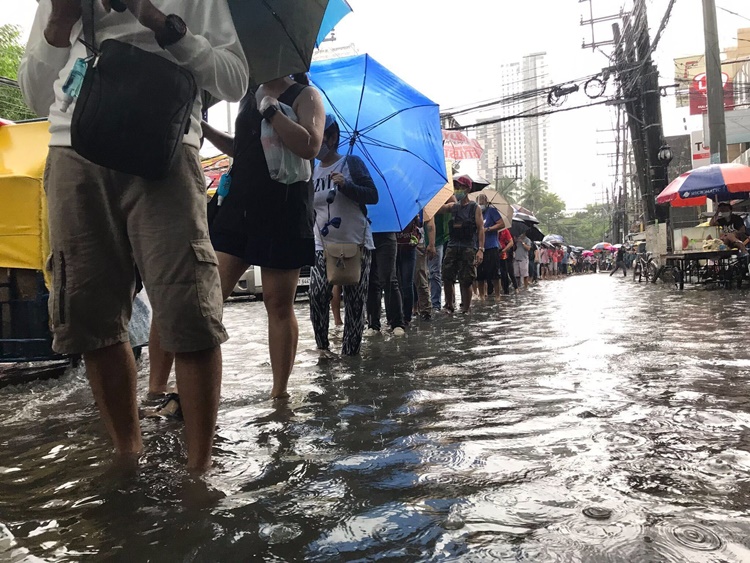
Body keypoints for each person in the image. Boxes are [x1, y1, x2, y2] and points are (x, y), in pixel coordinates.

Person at [20, 0, 248, 471]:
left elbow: (233, 79)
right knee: (89, 314)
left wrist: (158, 21)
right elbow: (33, 94)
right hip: (73, 148)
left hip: (166, 148)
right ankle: (128, 458)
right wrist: (60, 20)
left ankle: (199, 475)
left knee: (190, 311)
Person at [310, 114, 378, 356]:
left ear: (333, 137)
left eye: (320, 137)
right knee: (317, 293)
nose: (316, 143)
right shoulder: (312, 169)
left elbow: (373, 195)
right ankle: (323, 349)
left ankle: (351, 356)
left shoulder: (352, 163)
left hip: (356, 242)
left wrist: (346, 185)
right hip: (322, 244)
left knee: (355, 302)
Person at [437, 176, 485, 313]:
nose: (458, 190)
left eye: (460, 187)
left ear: (468, 189)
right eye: (456, 187)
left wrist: (481, 249)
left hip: (468, 247)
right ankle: (449, 305)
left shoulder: (475, 208)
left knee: (466, 280)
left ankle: (466, 308)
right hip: (452, 246)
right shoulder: (453, 207)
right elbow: (438, 209)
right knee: (447, 277)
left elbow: (481, 228)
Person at [475, 194, 503, 299]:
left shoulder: (492, 211)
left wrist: (488, 229)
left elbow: (501, 224)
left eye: (483, 202)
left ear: (487, 202)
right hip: (478, 247)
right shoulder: (476, 212)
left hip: (492, 246)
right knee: (480, 274)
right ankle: (481, 296)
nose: (481, 204)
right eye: (479, 202)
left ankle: (497, 296)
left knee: (495, 273)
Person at [396, 216, 421, 326]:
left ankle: (406, 317)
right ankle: (398, 315)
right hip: (395, 249)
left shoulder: (411, 210)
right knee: (397, 283)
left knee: (407, 283)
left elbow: (419, 226)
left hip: (408, 249)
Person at [426, 210, 450, 311]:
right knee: (421, 274)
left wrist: (436, 208)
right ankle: (420, 305)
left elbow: (453, 204)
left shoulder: (441, 195)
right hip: (418, 238)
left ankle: (436, 304)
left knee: (434, 273)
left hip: (438, 240)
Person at [414, 216, 435, 321]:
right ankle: (422, 310)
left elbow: (430, 223)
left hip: (418, 244)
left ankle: (425, 311)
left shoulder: (423, 205)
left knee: (421, 277)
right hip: (403, 243)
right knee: (420, 277)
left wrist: (431, 244)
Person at [498, 224, 517, 294]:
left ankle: (507, 290)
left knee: (505, 273)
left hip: (504, 254)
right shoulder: (491, 229)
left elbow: (511, 243)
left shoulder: (505, 231)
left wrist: (504, 250)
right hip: (493, 252)